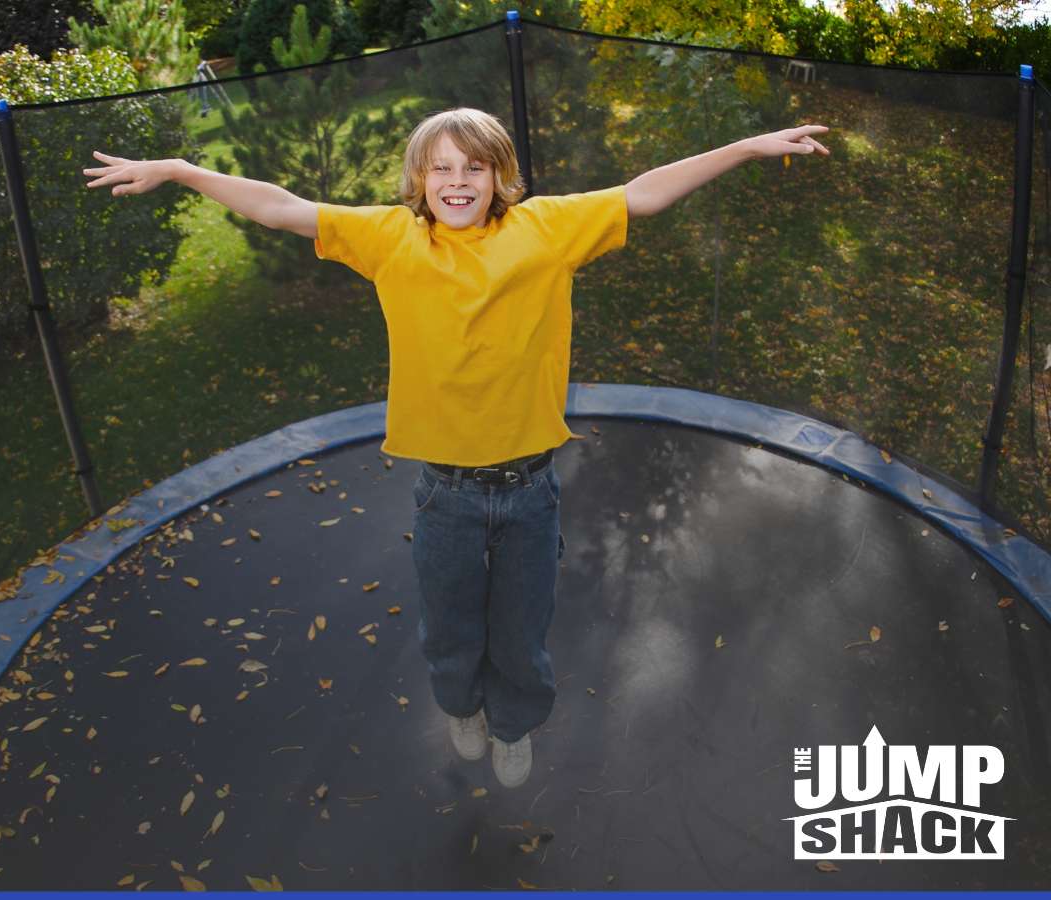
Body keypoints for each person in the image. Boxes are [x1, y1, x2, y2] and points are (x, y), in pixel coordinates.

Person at [83, 107, 829, 789]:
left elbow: (644, 193)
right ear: (417, 179)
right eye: (440, 168)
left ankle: (514, 724)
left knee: (522, 631)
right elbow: (281, 208)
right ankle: (462, 708)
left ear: (503, 176)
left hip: (531, 487)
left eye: (474, 167)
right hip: (445, 492)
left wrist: (742, 146)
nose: (457, 181)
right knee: (450, 626)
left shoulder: (546, 229)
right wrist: (183, 170)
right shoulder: (390, 238)